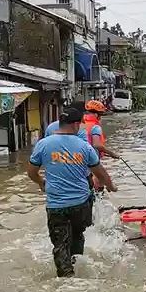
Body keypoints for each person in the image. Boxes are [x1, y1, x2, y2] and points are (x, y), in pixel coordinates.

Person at [27, 107, 117, 277]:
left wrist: (41, 183)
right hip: (80, 204)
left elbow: (31, 172)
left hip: (56, 206)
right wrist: (111, 187)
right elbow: (101, 174)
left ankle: (66, 277)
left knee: (60, 244)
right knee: (78, 235)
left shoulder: (43, 144)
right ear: (76, 124)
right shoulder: (84, 146)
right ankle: (78, 268)